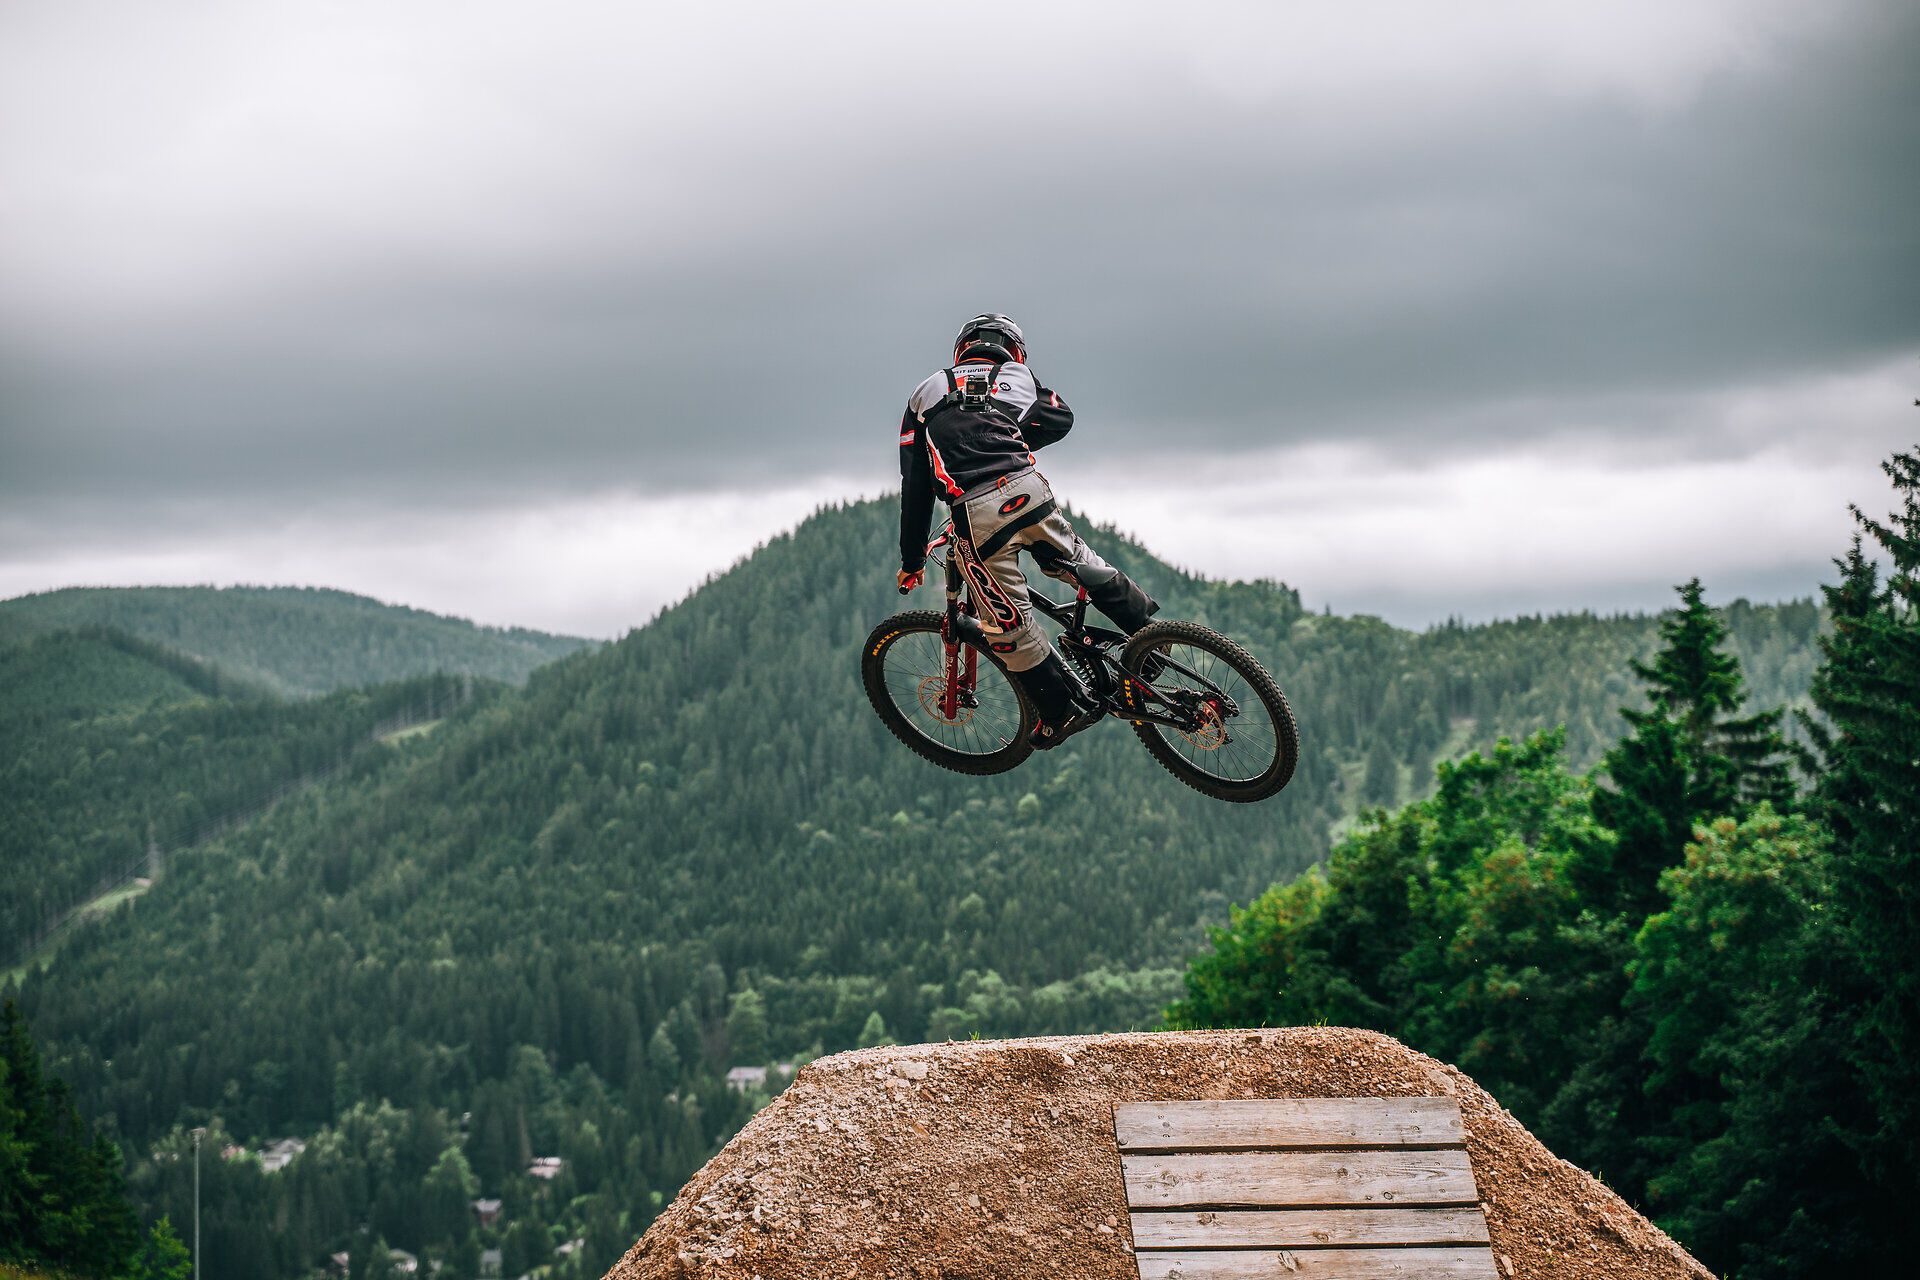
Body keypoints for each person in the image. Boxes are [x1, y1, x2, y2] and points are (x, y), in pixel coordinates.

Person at [895, 313, 1159, 749]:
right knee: (1074, 558)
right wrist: (1005, 435)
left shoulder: (926, 391)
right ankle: (1145, 625)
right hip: (1027, 487)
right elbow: (1059, 417)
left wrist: (912, 560)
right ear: (1014, 350)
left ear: (961, 349)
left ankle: (1059, 711)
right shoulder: (1017, 377)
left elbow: (917, 484)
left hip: (977, 510)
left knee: (1007, 625)